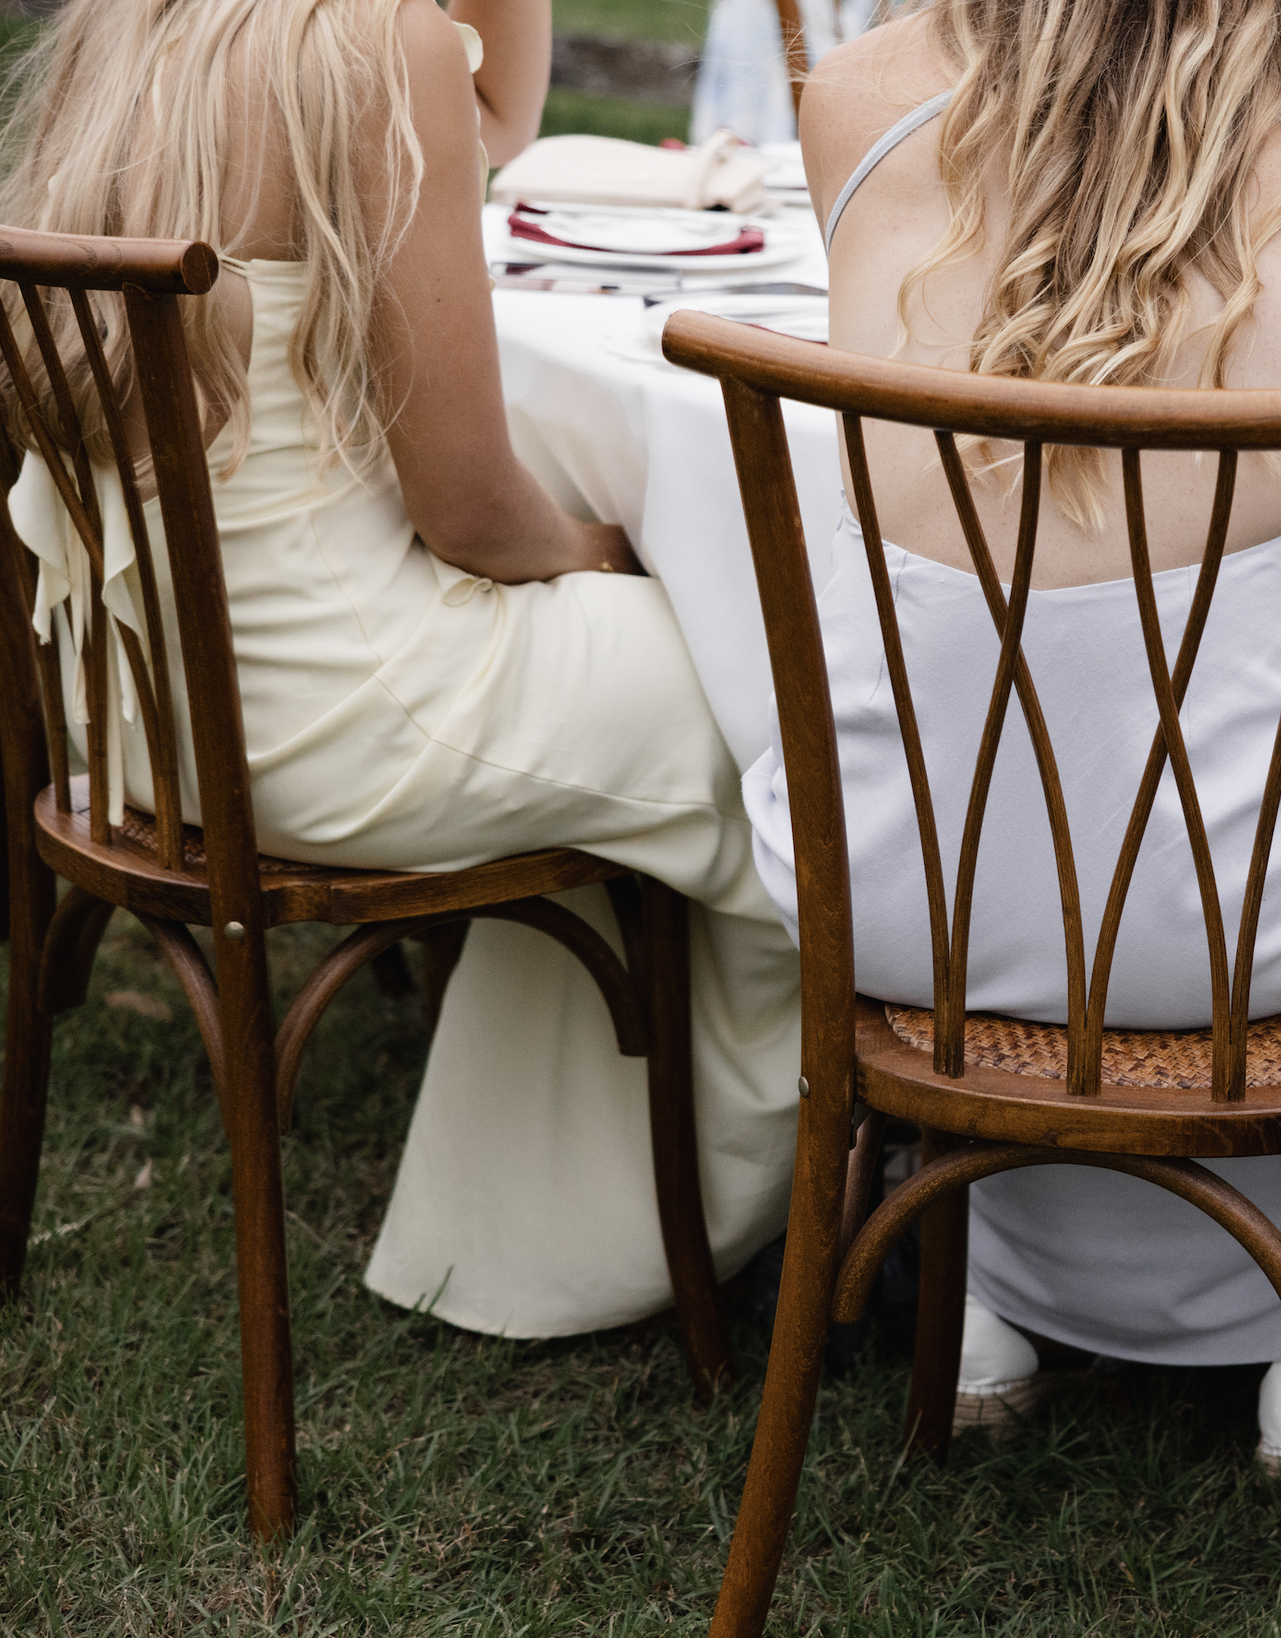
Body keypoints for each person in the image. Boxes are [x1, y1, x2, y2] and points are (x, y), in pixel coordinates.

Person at [763, 0, 1281, 1472]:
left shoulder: (852, 93)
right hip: (1234, 926)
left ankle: (988, 1307)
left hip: (890, 898)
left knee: (1034, 766)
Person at [2, 0, 803, 1338]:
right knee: (779, 701)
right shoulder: (379, 50)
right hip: (340, 726)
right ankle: (806, 1198)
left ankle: (525, 1223)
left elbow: (503, 130)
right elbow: (476, 516)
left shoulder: (133, 25)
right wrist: (612, 552)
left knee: (672, 673)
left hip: (150, 718)